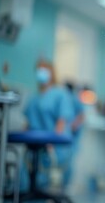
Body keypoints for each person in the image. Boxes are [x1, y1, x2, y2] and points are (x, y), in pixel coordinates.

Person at [23, 58, 74, 190]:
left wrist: (52, 142)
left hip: (54, 147)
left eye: (44, 69)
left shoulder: (60, 94)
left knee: (49, 180)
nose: (41, 72)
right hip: (36, 147)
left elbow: (62, 120)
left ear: (51, 72)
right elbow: (28, 122)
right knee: (27, 176)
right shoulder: (34, 97)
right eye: (39, 69)